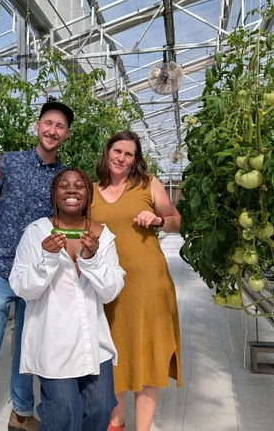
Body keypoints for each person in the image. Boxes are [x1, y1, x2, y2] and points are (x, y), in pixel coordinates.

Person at [0, 101, 74, 431]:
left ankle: (22, 413)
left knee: (27, 352)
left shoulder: (64, 177)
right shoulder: (9, 163)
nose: (53, 130)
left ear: (66, 134)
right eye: (48, 123)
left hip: (37, 276)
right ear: (38, 126)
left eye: (60, 126)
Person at [9, 168, 125, 431]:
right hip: (53, 340)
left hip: (92, 341)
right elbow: (22, 288)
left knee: (101, 407)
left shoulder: (102, 237)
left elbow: (110, 291)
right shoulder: (36, 232)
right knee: (63, 414)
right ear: (54, 194)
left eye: (79, 185)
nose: (71, 190)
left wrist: (92, 259)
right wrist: (47, 258)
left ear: (88, 194)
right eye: (63, 185)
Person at [90, 130, 183, 431]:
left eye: (128, 154)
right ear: (107, 153)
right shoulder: (90, 191)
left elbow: (175, 220)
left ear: (135, 160)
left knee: (148, 353)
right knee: (114, 351)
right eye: (117, 151)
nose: (121, 158)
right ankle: (116, 422)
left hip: (148, 283)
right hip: (108, 287)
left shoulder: (147, 184)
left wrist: (157, 220)